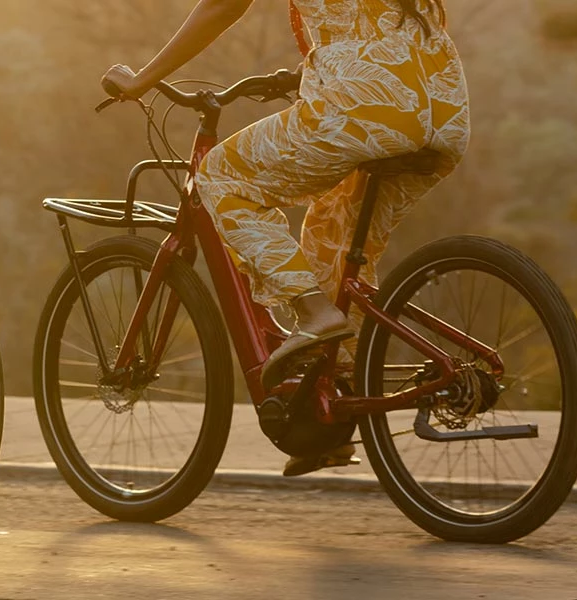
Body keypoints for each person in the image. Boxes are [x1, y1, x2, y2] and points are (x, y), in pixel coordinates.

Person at [102, 0, 466, 474]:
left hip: (369, 101)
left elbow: (223, 5)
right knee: (330, 241)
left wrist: (141, 80)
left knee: (222, 178)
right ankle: (329, 416)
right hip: (442, 107)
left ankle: (311, 312)